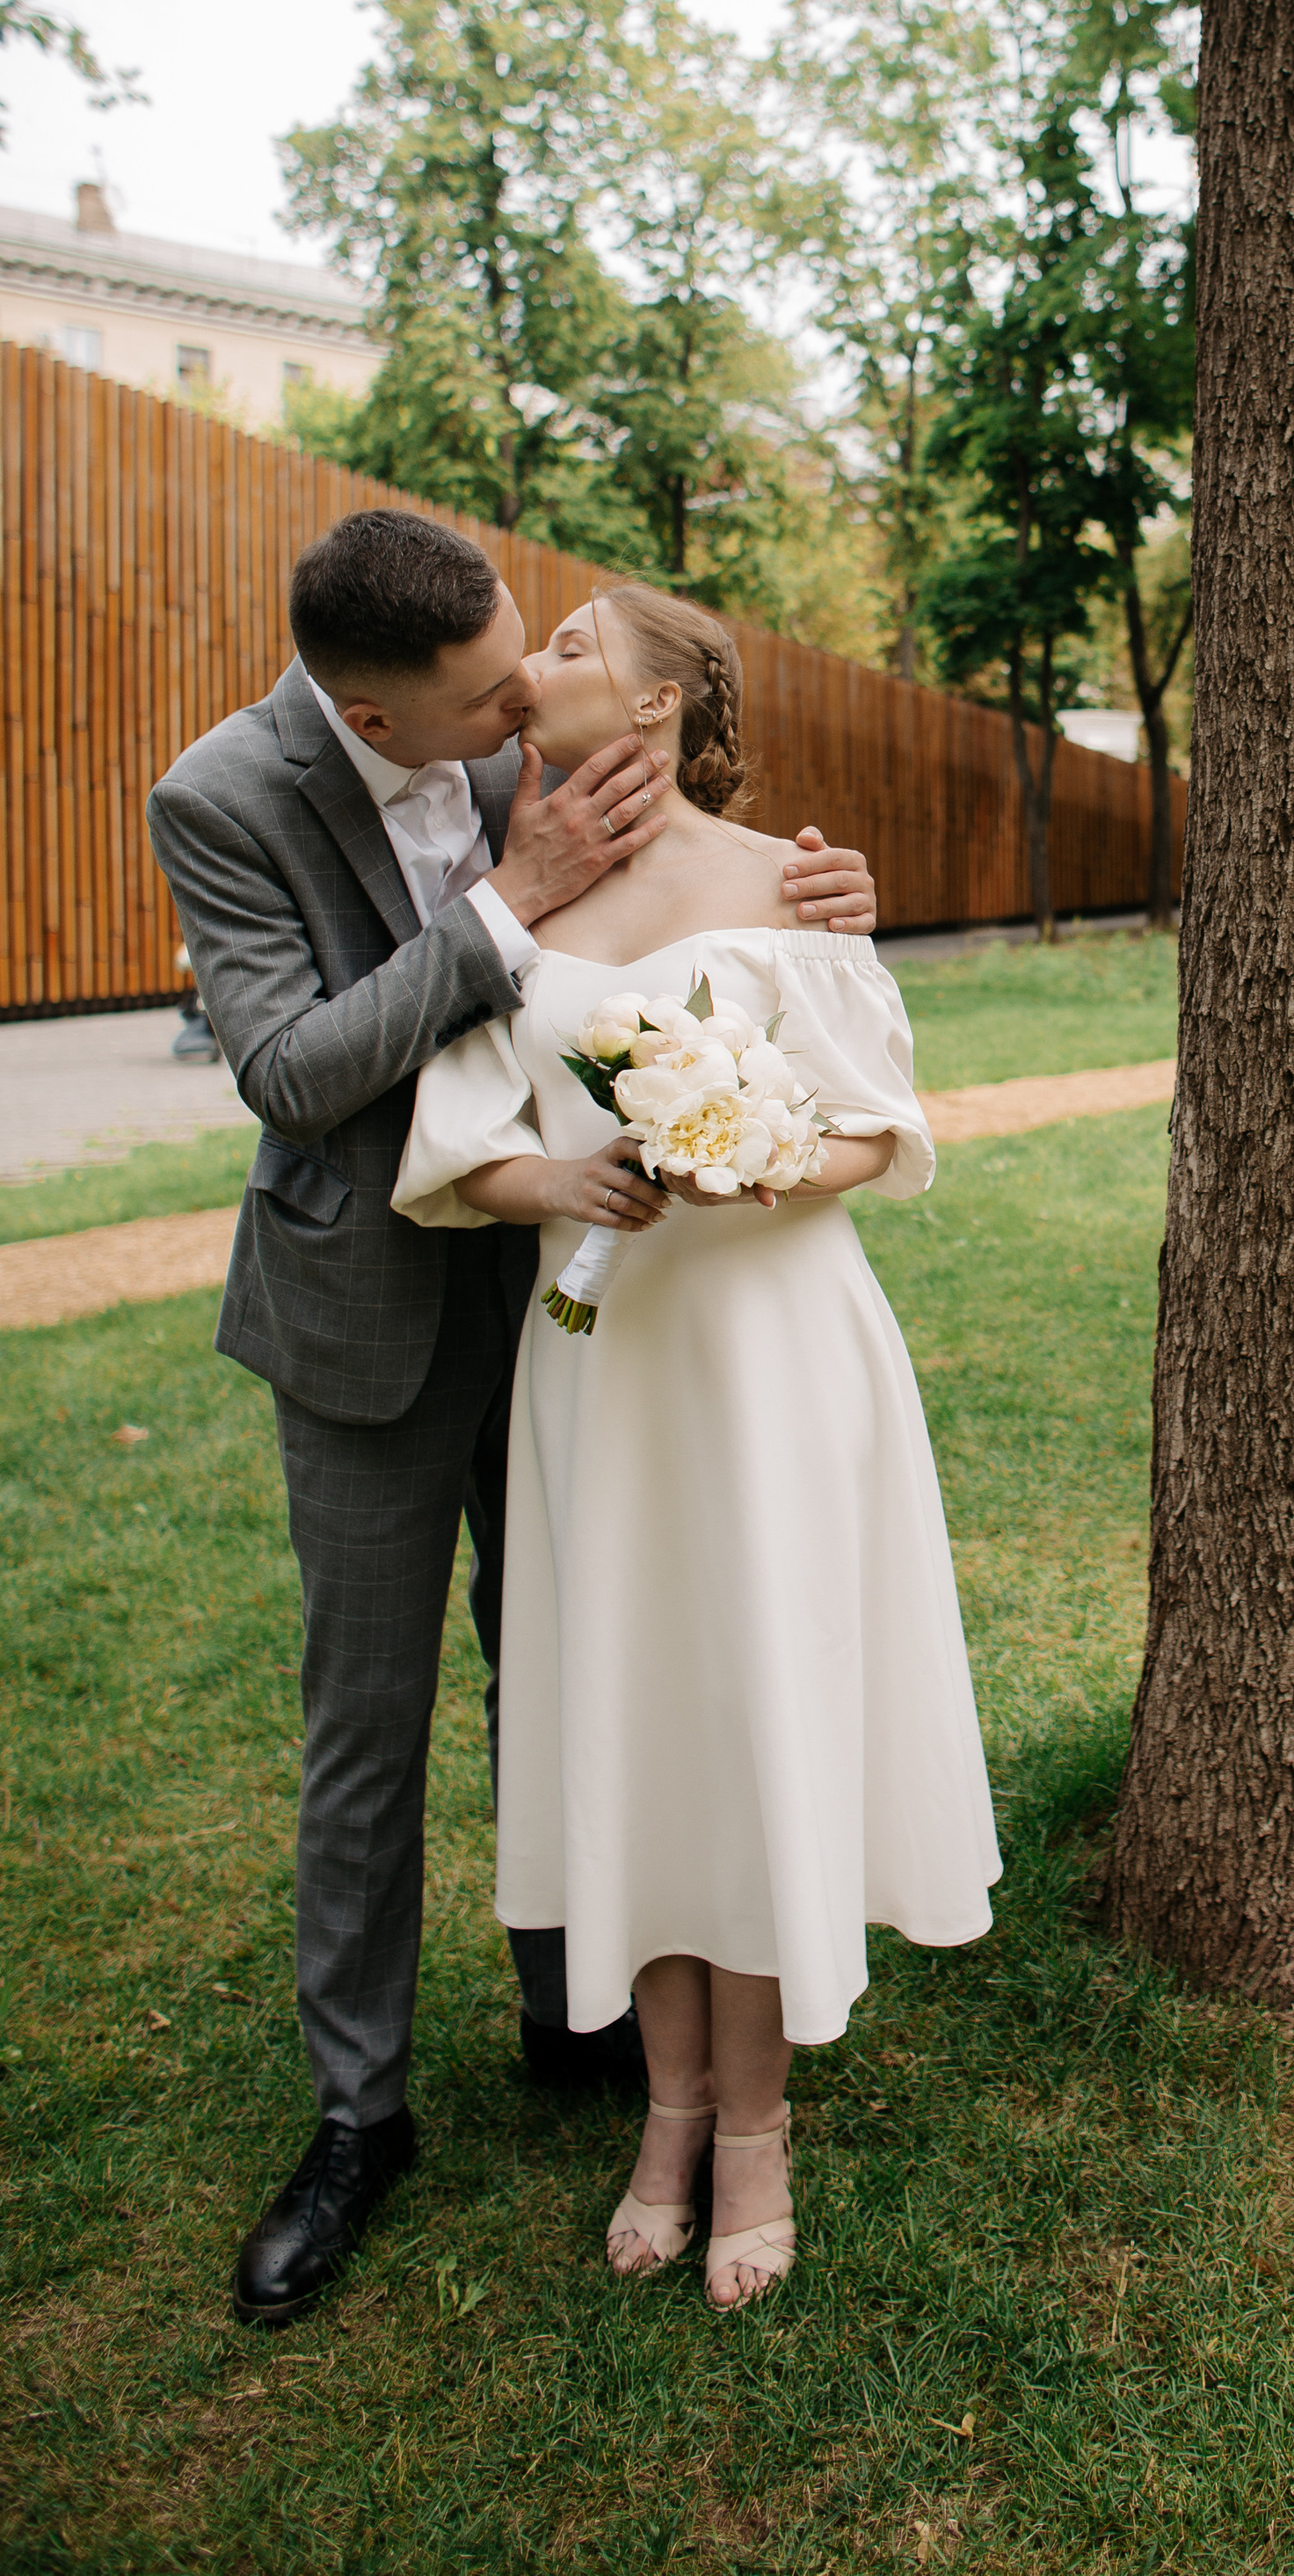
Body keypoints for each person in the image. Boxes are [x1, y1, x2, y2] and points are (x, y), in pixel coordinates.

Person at [145, 512, 878, 2327]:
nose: (518, 704)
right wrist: (499, 906)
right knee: (368, 1724)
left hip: (597, 1320)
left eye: (525, 662)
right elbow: (295, 1074)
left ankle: (591, 2017)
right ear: (377, 720)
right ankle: (354, 2119)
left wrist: (822, 906)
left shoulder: (533, 734)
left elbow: (706, 910)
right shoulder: (224, 799)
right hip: (374, 1306)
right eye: (482, 694)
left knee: (578, 1663)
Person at [392, 585, 999, 2307]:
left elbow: (879, 1130)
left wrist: (754, 1160)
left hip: (769, 1355)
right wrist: (561, 1179)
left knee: (752, 1713)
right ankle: (662, 2110)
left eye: (577, 644)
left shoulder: (786, 886)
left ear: (660, 707)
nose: (541, 666)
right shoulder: (508, 904)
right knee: (634, 1716)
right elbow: (460, 1143)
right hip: (601, 1367)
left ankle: (754, 2131)